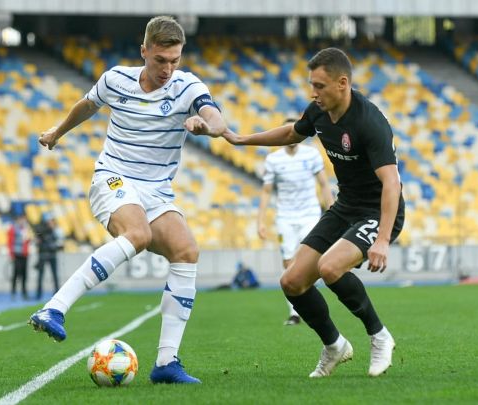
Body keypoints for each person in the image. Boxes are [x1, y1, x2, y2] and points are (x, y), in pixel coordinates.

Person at [28, 16, 228, 384]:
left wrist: (206, 126)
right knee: (137, 234)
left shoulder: (187, 87)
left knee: (186, 251)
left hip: (157, 190)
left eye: (175, 61)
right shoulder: (115, 79)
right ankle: (54, 308)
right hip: (113, 177)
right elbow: (87, 105)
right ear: (144, 52)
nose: (167, 69)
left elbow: (216, 119)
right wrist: (57, 132)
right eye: (160, 60)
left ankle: (166, 363)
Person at [221, 48, 405, 378]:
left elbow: (392, 183)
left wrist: (382, 240)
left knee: (330, 267)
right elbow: (292, 132)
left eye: (319, 86)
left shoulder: (369, 121)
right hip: (345, 206)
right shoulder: (319, 111)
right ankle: (335, 346)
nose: (313, 93)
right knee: (291, 281)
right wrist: (240, 139)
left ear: (342, 83)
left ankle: (379, 336)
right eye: (311, 85)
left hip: (377, 211)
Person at [258, 117, 334, 326]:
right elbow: (266, 191)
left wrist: (332, 211)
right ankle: (295, 312)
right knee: (288, 261)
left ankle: (310, 303)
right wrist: (260, 221)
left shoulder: (311, 154)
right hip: (285, 217)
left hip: (310, 215)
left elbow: (324, 184)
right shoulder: (273, 159)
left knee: (310, 260)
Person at [33, 212, 62, 300]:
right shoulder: (41, 229)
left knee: (54, 275)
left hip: (52, 254)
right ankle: (39, 293)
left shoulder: (54, 230)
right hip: (43, 254)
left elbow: (57, 241)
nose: (52, 222)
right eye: (50, 221)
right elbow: (38, 233)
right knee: (41, 275)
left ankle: (57, 292)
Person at [7, 213, 31, 300]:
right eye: (22, 219)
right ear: (18, 219)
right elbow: (10, 242)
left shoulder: (25, 229)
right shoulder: (13, 229)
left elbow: (27, 241)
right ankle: (13, 292)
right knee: (16, 274)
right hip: (16, 254)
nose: (23, 221)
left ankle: (24, 293)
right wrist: (11, 254)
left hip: (24, 254)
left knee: (24, 274)